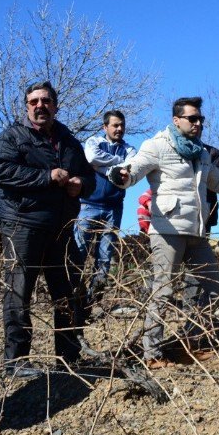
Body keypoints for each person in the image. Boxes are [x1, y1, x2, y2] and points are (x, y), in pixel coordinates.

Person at [109, 97, 219, 367]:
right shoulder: (157, 145)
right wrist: (120, 175)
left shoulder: (201, 152)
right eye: (192, 118)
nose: (198, 123)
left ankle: (188, 343)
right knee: (162, 292)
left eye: (201, 119)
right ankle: (152, 354)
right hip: (167, 230)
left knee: (213, 286)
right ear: (177, 120)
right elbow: (132, 172)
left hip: (196, 231)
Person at [0, 81, 96, 379]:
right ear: (27, 106)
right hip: (23, 226)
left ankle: (69, 356)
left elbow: (89, 178)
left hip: (62, 229)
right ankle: (17, 361)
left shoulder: (69, 141)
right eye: (34, 101)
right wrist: (46, 177)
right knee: (18, 293)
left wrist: (81, 185)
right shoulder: (12, 137)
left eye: (46, 101)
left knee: (67, 292)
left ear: (55, 106)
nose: (40, 106)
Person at [75, 110, 136, 300]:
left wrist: (102, 167)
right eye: (115, 125)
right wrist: (117, 165)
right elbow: (92, 157)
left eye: (122, 125)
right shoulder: (94, 141)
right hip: (88, 204)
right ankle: (73, 294)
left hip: (114, 207)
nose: (119, 129)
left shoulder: (130, 149)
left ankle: (93, 300)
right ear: (105, 127)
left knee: (105, 256)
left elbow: (132, 166)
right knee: (79, 251)